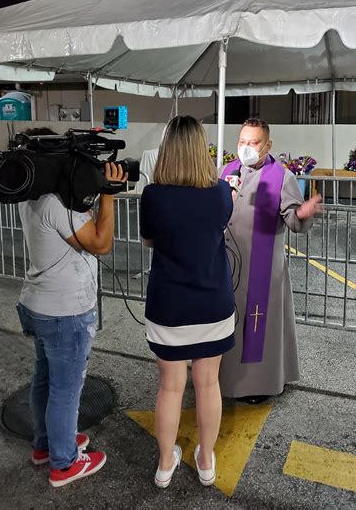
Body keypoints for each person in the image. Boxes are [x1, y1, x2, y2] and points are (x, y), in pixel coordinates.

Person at [16, 127, 127, 487]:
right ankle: (64, 463)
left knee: (45, 379)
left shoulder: (31, 195)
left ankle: (46, 445)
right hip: (65, 312)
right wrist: (109, 195)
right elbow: (101, 242)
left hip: (38, 303)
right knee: (66, 389)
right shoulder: (56, 202)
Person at [140, 115, 235, 489]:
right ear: (201, 150)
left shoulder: (153, 195)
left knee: (170, 388)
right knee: (208, 384)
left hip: (168, 307)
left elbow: (149, 241)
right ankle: (207, 461)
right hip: (213, 304)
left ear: (167, 151)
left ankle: (165, 465)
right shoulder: (221, 193)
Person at [219, 118, 322, 404]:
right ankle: (221, 376)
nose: (246, 148)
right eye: (242, 142)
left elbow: (292, 217)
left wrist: (302, 214)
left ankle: (257, 384)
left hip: (261, 269)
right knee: (228, 322)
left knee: (257, 324)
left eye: (253, 143)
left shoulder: (282, 176)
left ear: (268, 145)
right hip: (226, 263)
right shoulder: (227, 170)